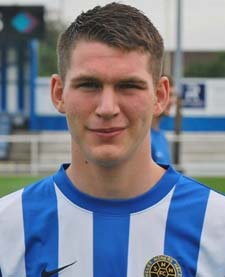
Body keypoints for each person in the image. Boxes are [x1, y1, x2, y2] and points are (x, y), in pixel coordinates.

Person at [0, 2, 225, 277]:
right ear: (59, 93)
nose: (107, 108)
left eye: (129, 85)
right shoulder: (7, 229)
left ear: (161, 96)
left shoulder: (217, 227)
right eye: (89, 85)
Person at [151, 75, 176, 164]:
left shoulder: (161, 136)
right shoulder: (143, 139)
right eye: (169, 95)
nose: (172, 101)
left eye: (173, 95)